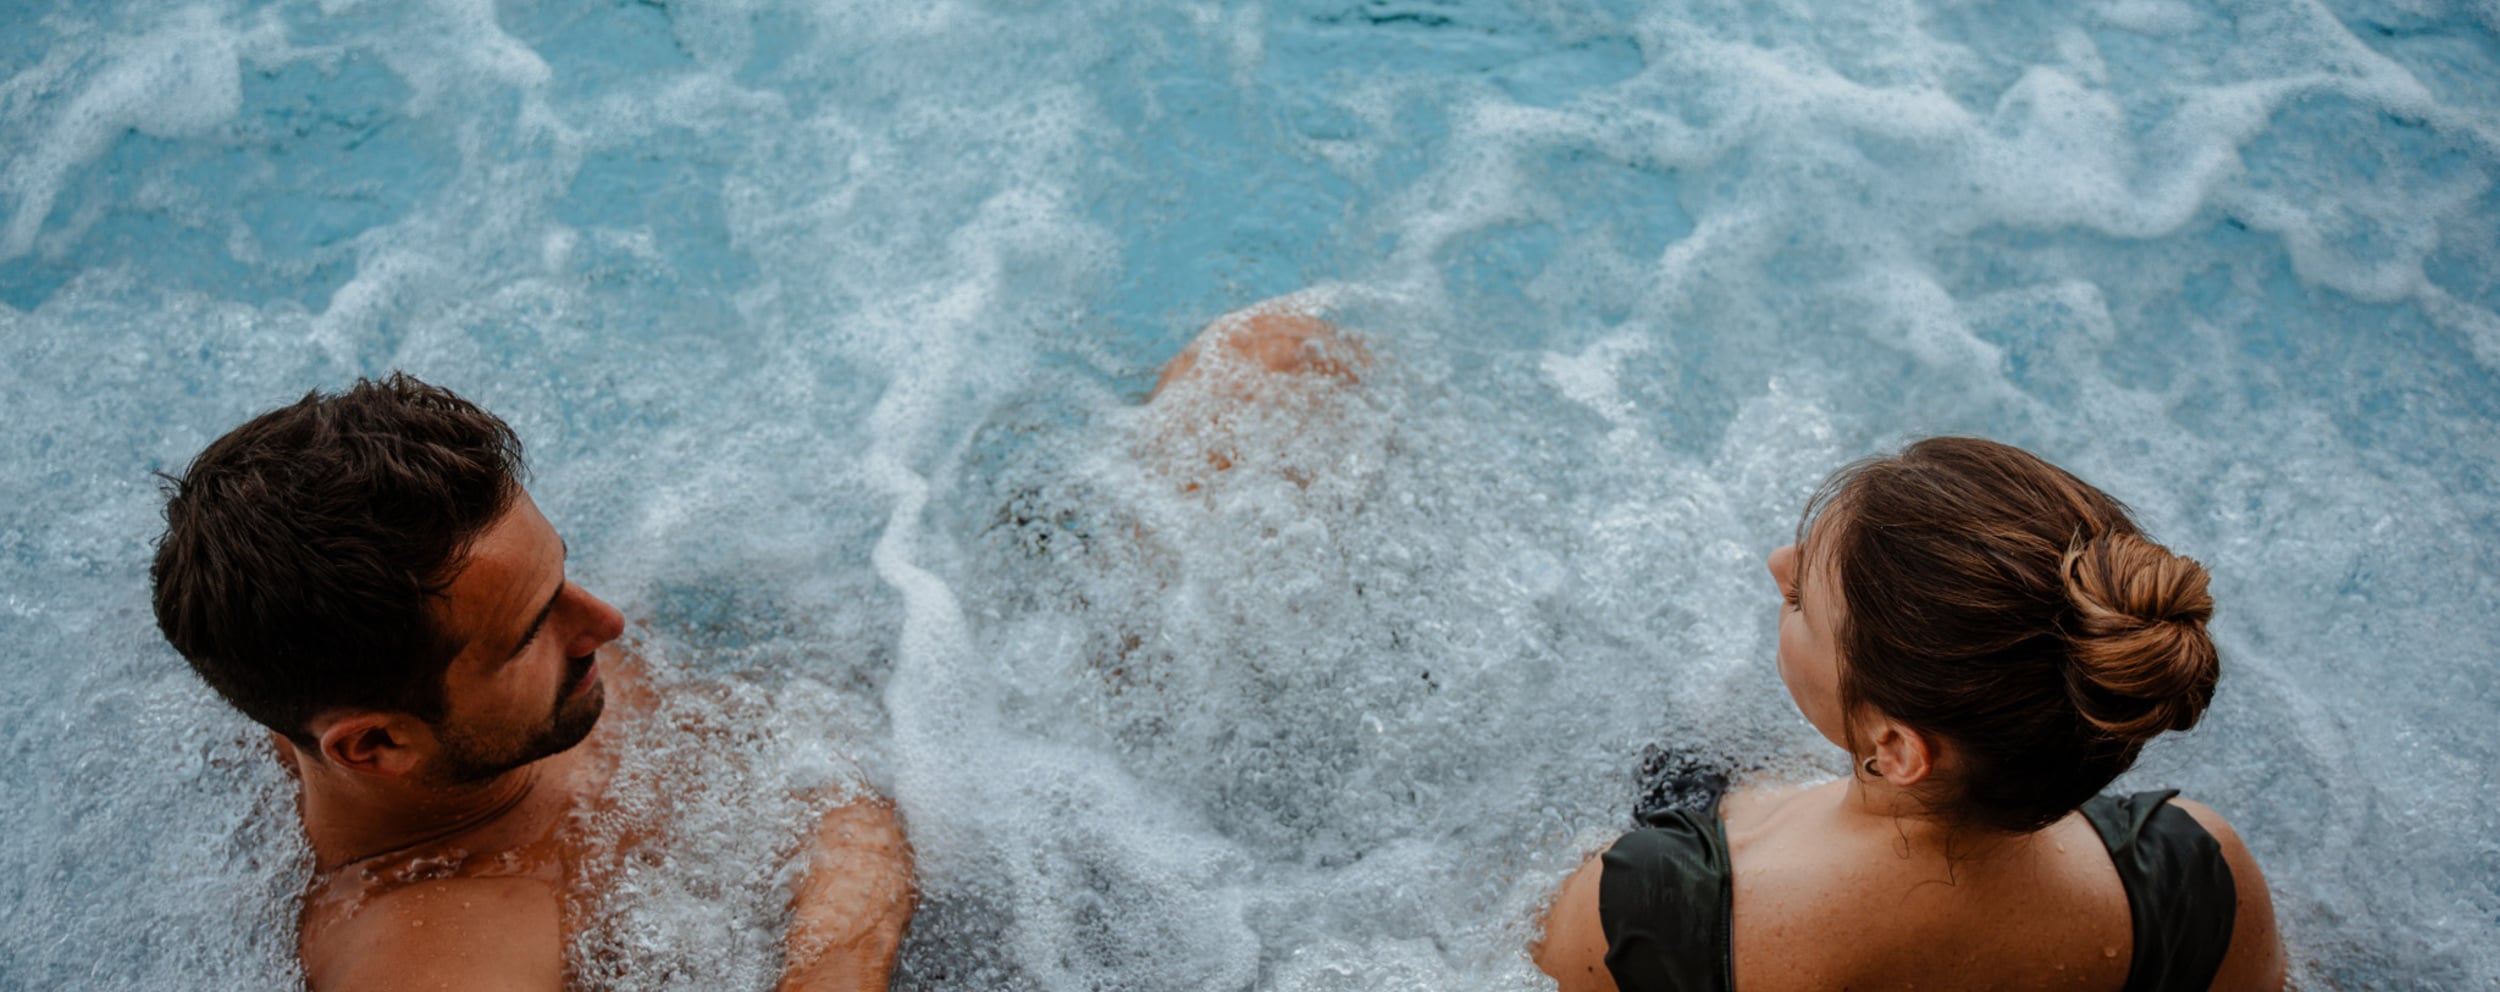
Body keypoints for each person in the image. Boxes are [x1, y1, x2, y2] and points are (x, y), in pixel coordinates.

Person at [149, 373, 916, 992]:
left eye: (561, 573)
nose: (605, 623)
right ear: (379, 742)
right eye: (529, 631)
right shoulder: (442, 952)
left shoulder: (444, 635)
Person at [1534, 437, 2284, 992]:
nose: (1777, 564)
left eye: (1802, 602)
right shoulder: (2196, 877)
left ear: (1894, 749)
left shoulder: (1654, 912)